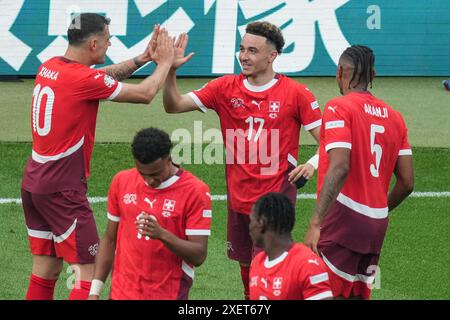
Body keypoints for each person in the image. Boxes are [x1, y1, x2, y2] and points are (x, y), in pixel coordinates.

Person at [163, 21, 322, 299]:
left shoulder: (296, 93)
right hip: (238, 201)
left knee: (271, 272)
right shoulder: (224, 88)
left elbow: (330, 140)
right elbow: (172, 105)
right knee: (247, 272)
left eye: (252, 50)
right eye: (241, 49)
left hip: (274, 204)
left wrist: (312, 164)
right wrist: (171, 70)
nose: (244, 56)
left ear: (272, 56)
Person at [21, 13, 175, 300]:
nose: (110, 43)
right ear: (93, 43)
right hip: (63, 189)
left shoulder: (51, 67)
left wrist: (142, 59)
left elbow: (98, 80)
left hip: (34, 185)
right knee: (88, 274)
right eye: (107, 39)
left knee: (46, 269)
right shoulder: (82, 78)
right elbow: (145, 93)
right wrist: (165, 62)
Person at [304, 45, 414, 299]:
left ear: (339, 71)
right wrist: (377, 209)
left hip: (342, 220)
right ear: (373, 75)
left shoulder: (338, 107)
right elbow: (407, 182)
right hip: (376, 225)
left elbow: (340, 166)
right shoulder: (395, 118)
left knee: (324, 293)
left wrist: (316, 222)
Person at [87, 127, 212, 300]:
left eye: (155, 173)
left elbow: (198, 255)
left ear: (169, 159)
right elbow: (109, 239)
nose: (149, 181)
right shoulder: (121, 181)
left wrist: (162, 234)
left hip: (167, 294)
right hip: (121, 294)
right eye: (142, 173)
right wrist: (94, 292)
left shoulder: (195, 191)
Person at [249, 193, 333, 300]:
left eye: (251, 220)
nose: (250, 227)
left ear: (262, 223)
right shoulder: (257, 263)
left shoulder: (307, 265)